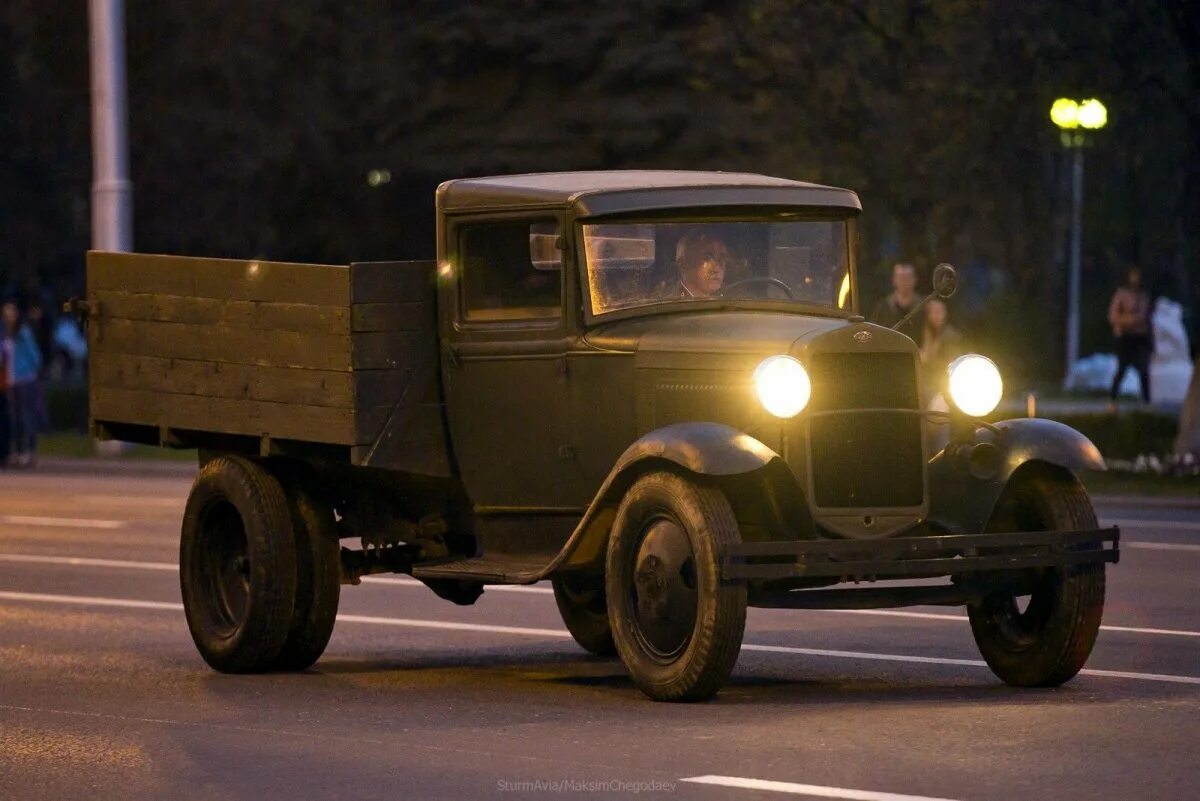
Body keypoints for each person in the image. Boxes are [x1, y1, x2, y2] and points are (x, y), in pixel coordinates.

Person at [3, 301, 43, 467]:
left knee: (27, 418)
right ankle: (18, 452)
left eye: (12, 314)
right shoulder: (6, 335)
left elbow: (35, 355)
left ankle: (30, 452)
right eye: (6, 315)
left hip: (25, 380)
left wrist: (30, 372)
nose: (9, 318)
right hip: (11, 382)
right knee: (15, 419)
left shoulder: (23, 333)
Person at [1107, 264, 1152, 407]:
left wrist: (1133, 321)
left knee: (1143, 370)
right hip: (1124, 337)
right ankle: (1112, 400)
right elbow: (1113, 316)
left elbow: (1143, 316)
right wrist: (1129, 321)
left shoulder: (1143, 296)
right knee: (1121, 369)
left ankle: (1146, 402)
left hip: (1139, 337)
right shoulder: (1121, 295)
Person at [660, 229, 730, 298]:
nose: (717, 269)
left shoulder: (729, 303)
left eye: (722, 259)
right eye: (707, 258)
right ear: (684, 263)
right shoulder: (669, 306)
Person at [869, 262, 921, 332]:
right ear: (894, 280)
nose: (904, 282)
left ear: (914, 280)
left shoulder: (924, 307)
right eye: (901, 278)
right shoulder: (883, 308)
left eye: (907, 278)